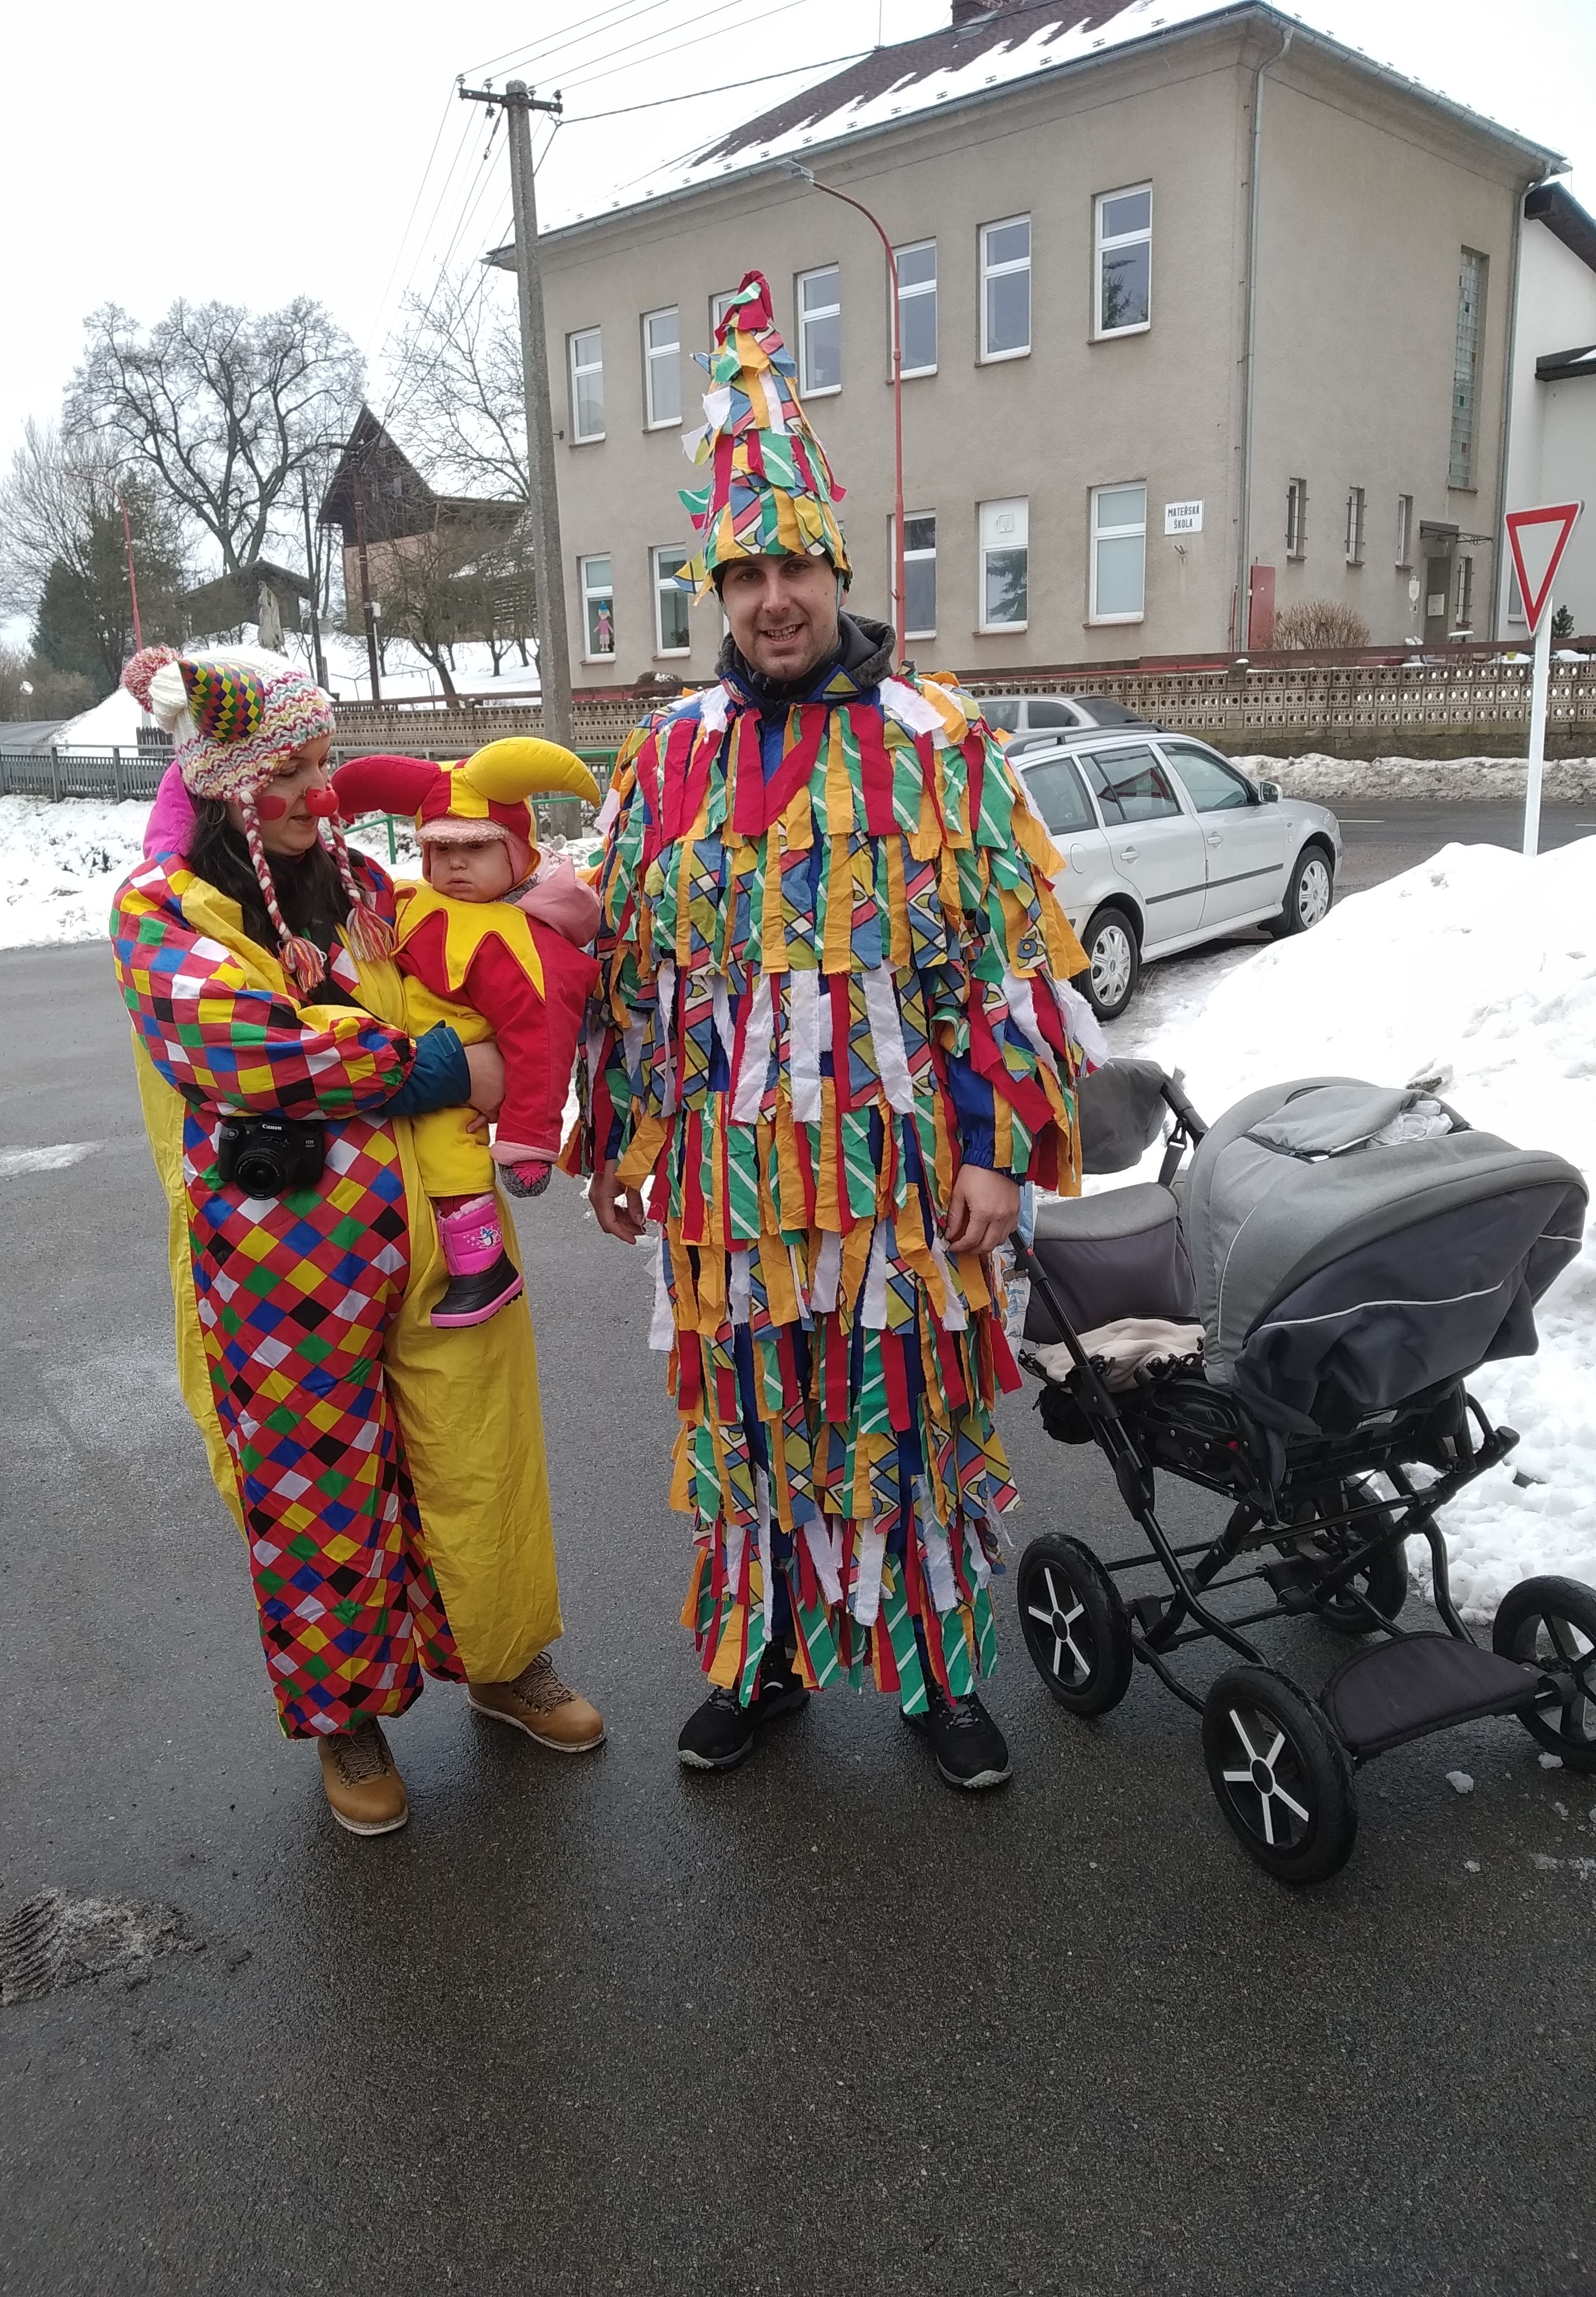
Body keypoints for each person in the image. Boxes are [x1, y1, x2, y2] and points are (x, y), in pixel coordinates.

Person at [575, 272, 1093, 1791]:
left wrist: (996, 1149)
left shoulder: (938, 745)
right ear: (718, 593)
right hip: (727, 1200)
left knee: (913, 1434)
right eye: (743, 575)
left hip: (907, 1193)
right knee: (751, 1437)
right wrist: (618, 1135)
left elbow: (1007, 965)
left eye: (793, 566)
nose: (771, 599)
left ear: (836, 568)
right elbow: (625, 965)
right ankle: (764, 1665)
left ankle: (938, 1679)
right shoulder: (666, 759)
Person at [110, 643, 604, 1839]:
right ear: (227, 782)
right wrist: (441, 1068)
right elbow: (256, 1055)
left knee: (479, 1446)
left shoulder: (365, 878)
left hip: (442, 1229)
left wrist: (530, 996)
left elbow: (484, 973)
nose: (318, 792)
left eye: (326, 764)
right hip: (282, 1259)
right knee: (316, 1485)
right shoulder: (163, 910)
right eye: (290, 771)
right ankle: (348, 1715)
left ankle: (500, 1660)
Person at [330, 744, 601, 1327]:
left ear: (517, 850)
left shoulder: (522, 940)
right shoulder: (413, 900)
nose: (456, 865)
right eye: (440, 849)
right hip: (404, 1051)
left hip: (456, 1067)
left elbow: (542, 1042)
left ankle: (482, 1263)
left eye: (476, 848)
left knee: (448, 1146)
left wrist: (527, 1138)